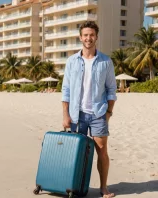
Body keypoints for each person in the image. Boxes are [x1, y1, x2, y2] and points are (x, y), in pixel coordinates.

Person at [61, 21, 117, 198]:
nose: (88, 38)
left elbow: (111, 90)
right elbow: (66, 89)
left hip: (98, 113)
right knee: (77, 152)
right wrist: (66, 115)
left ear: (96, 37)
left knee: (102, 151)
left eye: (91, 35)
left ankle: (103, 187)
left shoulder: (105, 61)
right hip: (77, 114)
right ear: (80, 37)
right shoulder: (71, 61)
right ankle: (74, 185)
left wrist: (108, 113)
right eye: (85, 35)